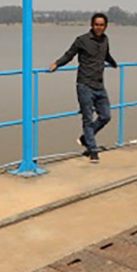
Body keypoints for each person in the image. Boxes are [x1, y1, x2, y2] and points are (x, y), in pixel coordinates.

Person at [50, 13, 117, 163]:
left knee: (106, 116)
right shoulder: (82, 40)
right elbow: (69, 55)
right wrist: (57, 64)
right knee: (87, 118)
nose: (99, 27)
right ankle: (92, 150)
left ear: (105, 26)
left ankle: (85, 138)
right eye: (96, 24)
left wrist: (113, 63)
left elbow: (106, 55)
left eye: (102, 25)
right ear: (92, 25)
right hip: (84, 85)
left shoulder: (105, 39)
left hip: (99, 84)